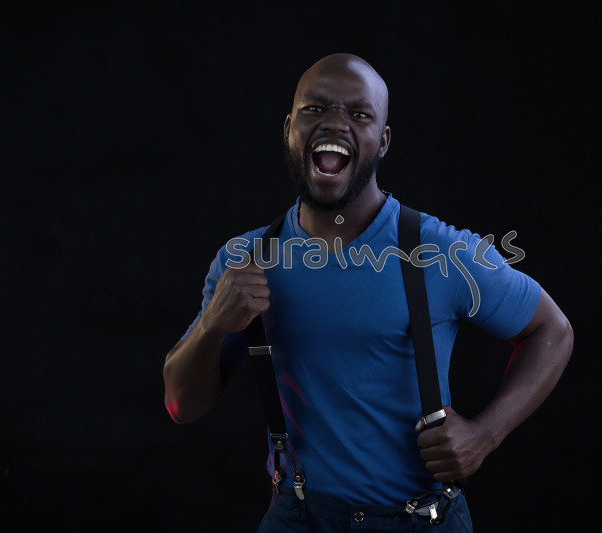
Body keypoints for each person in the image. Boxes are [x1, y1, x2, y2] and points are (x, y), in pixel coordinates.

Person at [163, 53, 574, 532]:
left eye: (359, 114)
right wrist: (212, 326)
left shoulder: (440, 252)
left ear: (383, 141)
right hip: (300, 517)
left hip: (421, 519)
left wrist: (486, 434)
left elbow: (553, 331)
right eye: (315, 108)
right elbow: (181, 405)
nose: (335, 123)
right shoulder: (244, 261)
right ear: (289, 129)